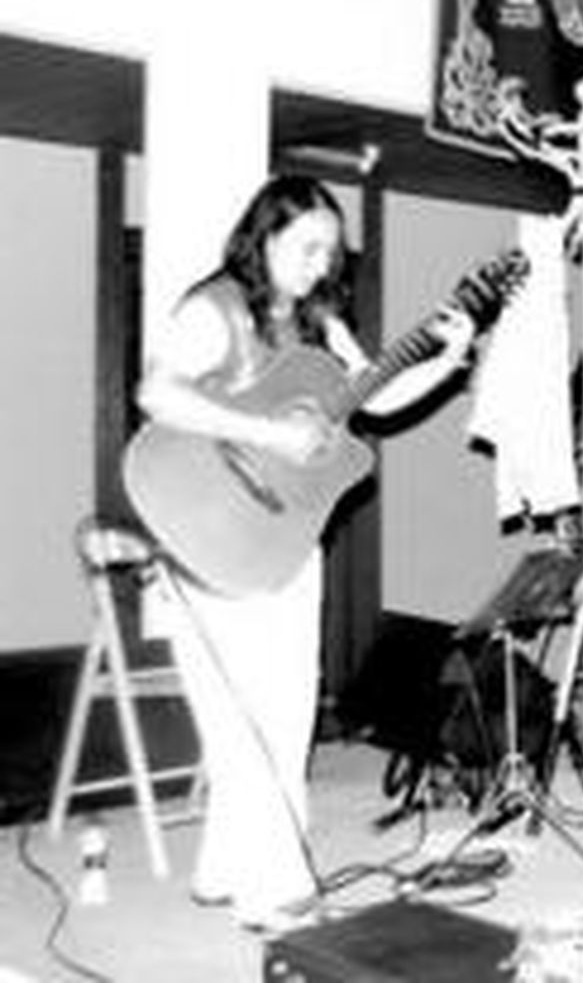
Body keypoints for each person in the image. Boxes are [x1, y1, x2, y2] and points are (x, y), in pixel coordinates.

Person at [136, 174, 475, 930]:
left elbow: (375, 395)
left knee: (283, 707)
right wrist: (270, 433)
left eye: (331, 251)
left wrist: (448, 359)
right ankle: (275, 886)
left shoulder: (321, 321)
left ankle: (226, 866)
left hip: (285, 536)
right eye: (307, 246)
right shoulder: (214, 306)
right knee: (244, 715)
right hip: (207, 528)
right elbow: (157, 395)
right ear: (264, 235)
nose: (322, 264)